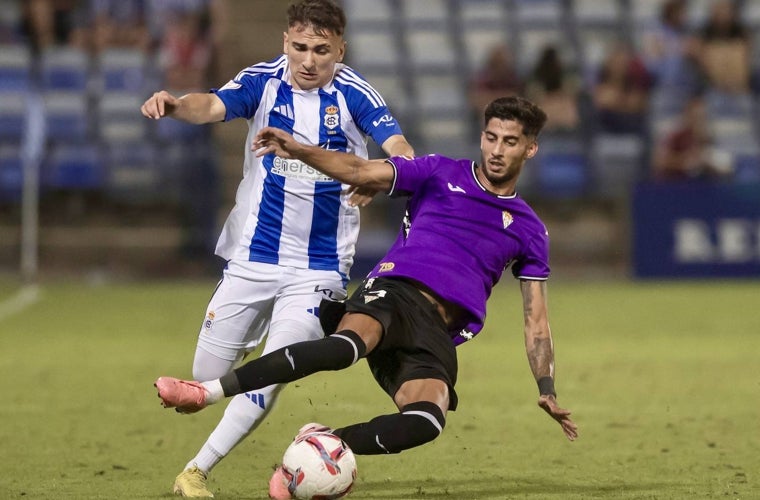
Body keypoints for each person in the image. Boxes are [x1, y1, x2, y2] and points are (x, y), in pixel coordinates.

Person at [154, 96, 578, 499]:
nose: (497, 149)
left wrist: (546, 386)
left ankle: (321, 445)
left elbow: (535, 319)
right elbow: (359, 169)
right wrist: (300, 150)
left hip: (437, 332)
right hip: (393, 294)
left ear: (531, 148)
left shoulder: (528, 229)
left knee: (428, 421)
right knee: (345, 348)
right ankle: (205, 392)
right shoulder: (437, 172)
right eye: (491, 137)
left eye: (510, 141)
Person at [141, 0, 414, 497]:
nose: (309, 60)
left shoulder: (356, 94)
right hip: (254, 257)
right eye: (300, 47)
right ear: (286, 42)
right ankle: (259, 351)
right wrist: (176, 104)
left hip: (321, 267)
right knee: (207, 377)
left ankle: (195, 472)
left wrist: (386, 175)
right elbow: (212, 105)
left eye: (322, 50)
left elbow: (399, 148)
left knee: (272, 369)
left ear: (340, 50)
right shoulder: (263, 81)